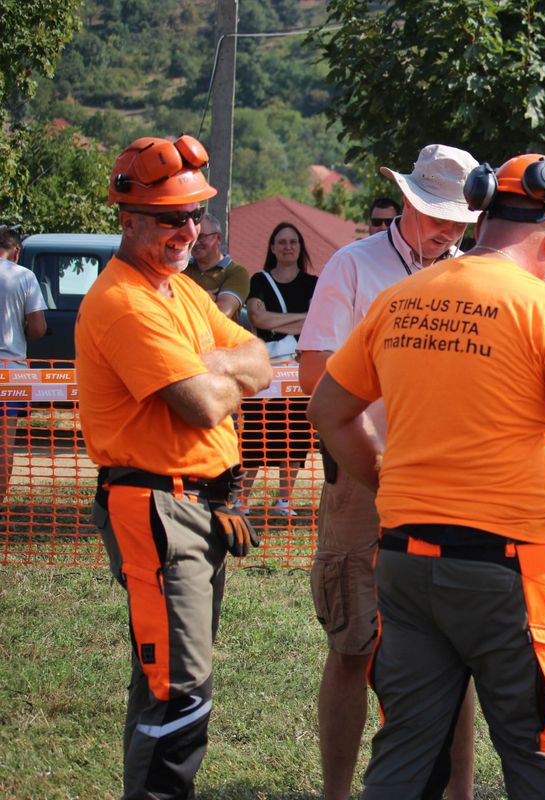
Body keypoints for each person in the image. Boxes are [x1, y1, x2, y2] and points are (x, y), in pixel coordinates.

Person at [307, 153, 545, 800]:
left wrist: (383, 478)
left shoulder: (400, 300)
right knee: (544, 763)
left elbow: (327, 411)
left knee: (405, 760)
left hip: (403, 561)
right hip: (506, 568)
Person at [77, 134, 272, 799]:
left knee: (162, 682)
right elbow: (198, 404)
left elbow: (262, 363)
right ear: (127, 219)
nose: (187, 229)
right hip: (158, 507)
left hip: (198, 508)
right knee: (180, 690)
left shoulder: (176, 292)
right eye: (170, 218)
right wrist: (213, 367)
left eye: (194, 214)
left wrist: (210, 361)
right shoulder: (125, 300)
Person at [297, 144, 481, 800]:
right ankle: (337, 795)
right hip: (363, 480)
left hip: (448, 487)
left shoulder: (475, 276)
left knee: (454, 654)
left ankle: (459, 793)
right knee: (352, 645)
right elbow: (313, 373)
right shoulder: (353, 266)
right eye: (438, 214)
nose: (449, 229)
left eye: (460, 218)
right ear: (406, 201)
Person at [241, 222, 319, 516]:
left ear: (300, 248)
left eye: (293, 242)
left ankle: (284, 500)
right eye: (282, 242)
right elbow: (258, 319)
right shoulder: (258, 279)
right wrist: (299, 320)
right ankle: (242, 499)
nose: (288, 247)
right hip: (266, 369)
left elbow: (317, 321)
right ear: (272, 248)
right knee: (256, 433)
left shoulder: (313, 283)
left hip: (298, 370)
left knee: (295, 432)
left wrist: (279, 320)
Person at [0, 225, 47, 502]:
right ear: (16, 252)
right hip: (11, 372)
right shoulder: (25, 277)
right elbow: (38, 329)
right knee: (4, 445)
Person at [183, 213, 250, 320]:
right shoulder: (181, 269)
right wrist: (205, 297)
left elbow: (222, 314)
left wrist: (183, 297)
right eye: (192, 238)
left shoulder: (236, 273)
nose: (195, 243)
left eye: (201, 237)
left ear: (218, 238)